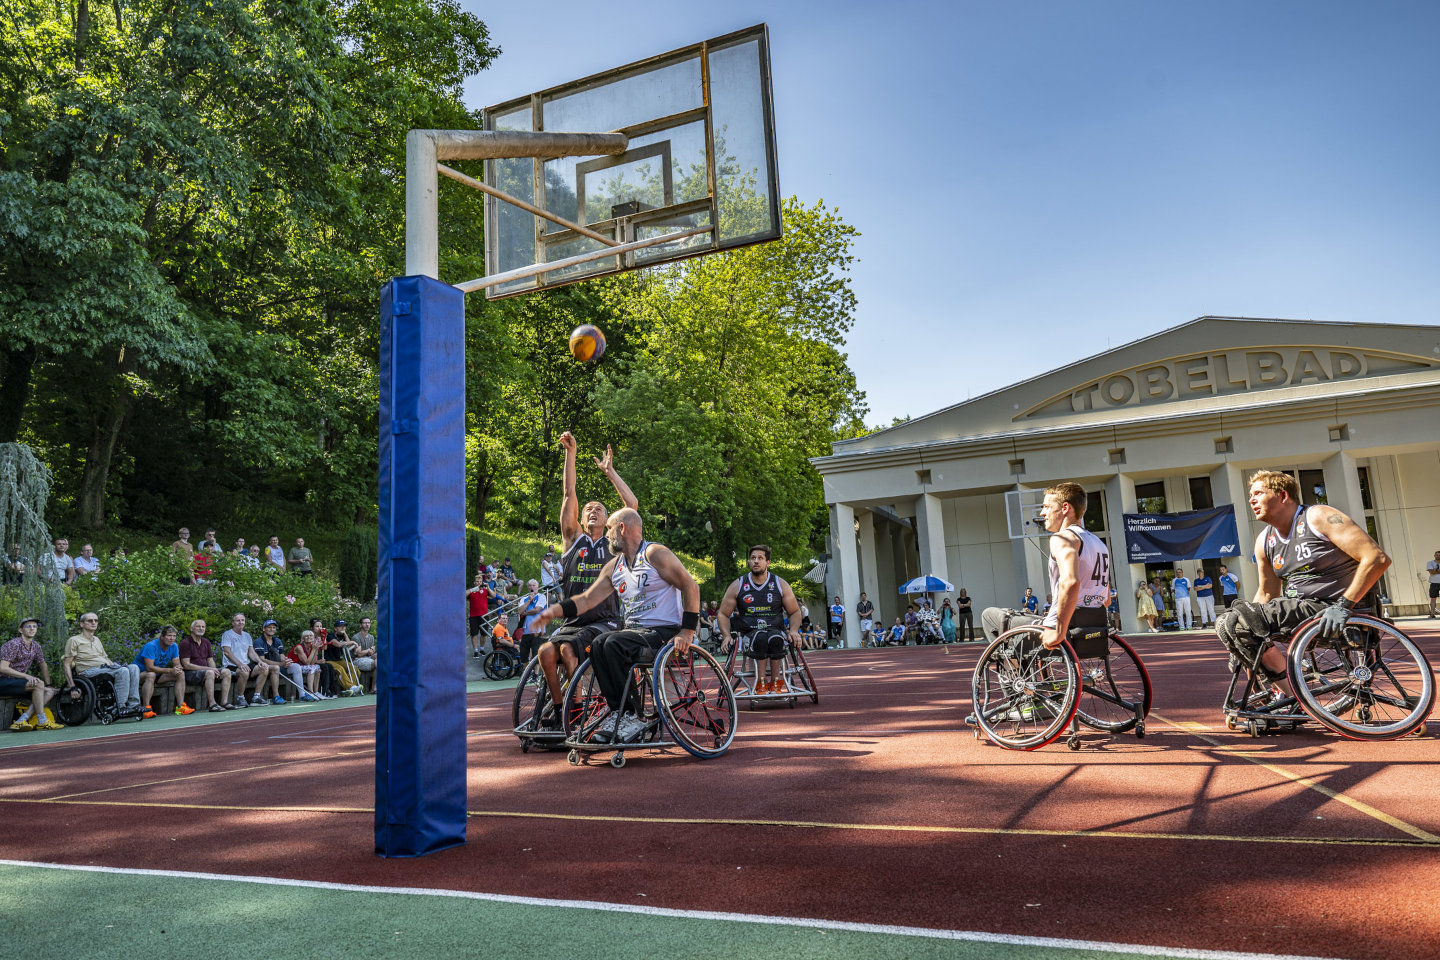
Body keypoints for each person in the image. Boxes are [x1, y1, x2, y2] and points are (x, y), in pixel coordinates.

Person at [530, 508, 701, 744]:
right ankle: (621, 712)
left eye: (609, 528)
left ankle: (630, 715)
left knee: (612, 643)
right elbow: (586, 600)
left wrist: (687, 631)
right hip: (634, 633)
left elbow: (691, 586)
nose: (607, 534)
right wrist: (553, 611)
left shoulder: (654, 553)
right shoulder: (615, 567)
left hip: (664, 630)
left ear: (622, 528)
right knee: (599, 643)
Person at [1216, 470, 1391, 700]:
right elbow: (1267, 592)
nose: (1251, 499)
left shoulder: (1318, 516)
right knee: (1233, 623)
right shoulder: (1264, 540)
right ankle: (1292, 695)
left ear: (1283, 496)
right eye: (1251, 495)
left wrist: (1344, 605)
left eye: (1258, 493)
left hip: (1340, 608)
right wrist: (1240, 638)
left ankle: (1297, 698)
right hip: (1303, 610)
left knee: (1238, 622)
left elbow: (1377, 558)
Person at [532, 432, 638, 726]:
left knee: (567, 649)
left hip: (604, 619)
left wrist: (611, 472)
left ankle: (576, 709)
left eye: (600, 509)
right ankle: (559, 708)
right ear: (581, 518)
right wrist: (571, 453)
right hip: (574, 620)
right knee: (545, 652)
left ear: (609, 522)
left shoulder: (614, 544)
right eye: (588, 508)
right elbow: (568, 494)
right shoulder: (572, 540)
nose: (592, 510)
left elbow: (632, 505)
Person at [981, 483, 1110, 650]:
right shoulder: (1099, 543)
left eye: (1047, 507)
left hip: (1059, 629)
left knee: (990, 615)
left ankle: (1013, 673)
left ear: (1065, 508)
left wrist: (1059, 631)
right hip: (1093, 627)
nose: (1042, 513)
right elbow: (1105, 599)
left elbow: (1071, 582)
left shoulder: (1063, 538)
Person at [718, 544, 802, 694]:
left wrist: (794, 630)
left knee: (776, 638)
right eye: (753, 558)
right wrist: (726, 635)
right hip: (750, 633)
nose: (756, 561)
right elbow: (723, 614)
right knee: (760, 638)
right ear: (749, 562)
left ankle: (776, 683)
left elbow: (795, 611)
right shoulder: (738, 585)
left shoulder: (779, 584)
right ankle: (760, 684)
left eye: (760, 558)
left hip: (776, 629)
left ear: (768, 562)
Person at [62, 612, 143, 719]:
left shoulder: (97, 640)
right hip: (88, 671)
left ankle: (134, 704)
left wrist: (114, 665)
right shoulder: (74, 640)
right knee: (123, 671)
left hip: (104, 668)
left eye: (95, 620)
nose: (93, 623)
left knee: (134, 667)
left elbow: (105, 658)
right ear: (81, 624)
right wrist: (72, 687)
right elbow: (66, 665)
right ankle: (121, 706)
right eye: (90, 621)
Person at [3, 617, 62, 731]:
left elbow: (43, 665)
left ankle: (21, 720)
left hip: (17, 683)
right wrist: (26, 676)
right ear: (21, 630)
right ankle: (42, 721)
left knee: (50, 691)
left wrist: (48, 684)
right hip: (4, 681)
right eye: (28, 626)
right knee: (38, 684)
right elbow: (3, 668)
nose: (32, 629)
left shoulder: (36, 646)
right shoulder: (13, 644)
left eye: (35, 626)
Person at [135, 625, 194, 717]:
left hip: (158, 674)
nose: (172, 638)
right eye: (169, 636)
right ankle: (146, 709)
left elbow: (177, 663)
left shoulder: (174, 646)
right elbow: (149, 668)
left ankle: (180, 707)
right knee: (151, 674)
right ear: (162, 637)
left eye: (174, 636)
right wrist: (170, 670)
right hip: (139, 676)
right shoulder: (151, 646)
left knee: (180, 674)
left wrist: (177, 669)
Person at [178, 619, 235, 712]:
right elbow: (186, 665)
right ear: (192, 628)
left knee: (226, 672)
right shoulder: (185, 643)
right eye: (198, 626)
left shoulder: (206, 642)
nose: (201, 628)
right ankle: (212, 704)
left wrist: (214, 669)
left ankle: (224, 702)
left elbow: (210, 660)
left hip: (205, 672)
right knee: (209, 673)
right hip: (190, 674)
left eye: (203, 627)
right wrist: (209, 669)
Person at [220, 613, 262, 706]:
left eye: (242, 620)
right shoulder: (227, 634)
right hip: (231, 666)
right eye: (238, 620)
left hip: (244, 664)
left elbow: (251, 652)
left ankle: (256, 697)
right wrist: (240, 664)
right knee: (244, 671)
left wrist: (260, 662)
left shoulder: (247, 635)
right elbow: (227, 652)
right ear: (233, 623)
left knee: (264, 668)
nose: (240, 622)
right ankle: (240, 698)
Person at [254, 619, 300, 703]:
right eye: (269, 627)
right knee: (276, 667)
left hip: (279, 666)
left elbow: (282, 656)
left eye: (274, 627)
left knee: (296, 666)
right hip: (263, 668)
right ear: (264, 629)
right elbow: (262, 659)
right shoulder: (258, 642)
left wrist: (285, 661)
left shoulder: (277, 641)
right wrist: (280, 664)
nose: (272, 629)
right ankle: (276, 696)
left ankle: (303, 694)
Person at [514, 579, 548, 664]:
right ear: (528, 587)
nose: (532, 587)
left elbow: (537, 610)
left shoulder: (542, 597)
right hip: (525, 631)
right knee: (524, 656)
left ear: (537, 587)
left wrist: (525, 613)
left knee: (536, 655)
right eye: (530, 586)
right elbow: (519, 611)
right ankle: (526, 675)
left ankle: (536, 675)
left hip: (538, 631)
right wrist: (529, 600)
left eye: (534, 585)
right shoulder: (524, 599)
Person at [289, 629, 327, 699]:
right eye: (306, 636)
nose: (309, 637)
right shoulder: (299, 647)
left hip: (303, 666)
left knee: (317, 667)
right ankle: (310, 692)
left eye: (311, 636)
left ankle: (316, 692)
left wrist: (315, 650)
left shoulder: (313, 646)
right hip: (293, 666)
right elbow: (307, 663)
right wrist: (314, 650)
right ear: (302, 639)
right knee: (311, 668)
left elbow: (312, 662)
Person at [466, 573, 491, 659]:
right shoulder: (471, 591)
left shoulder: (485, 590)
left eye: (480, 581)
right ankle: (475, 650)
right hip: (473, 616)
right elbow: (463, 594)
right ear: (474, 582)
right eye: (477, 581)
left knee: (484, 634)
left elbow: (494, 595)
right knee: (474, 634)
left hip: (484, 615)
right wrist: (474, 589)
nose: (479, 582)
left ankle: (482, 648)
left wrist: (488, 587)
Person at [351, 617, 377, 693]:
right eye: (365, 623)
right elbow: (359, 654)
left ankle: (375, 687)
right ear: (360, 625)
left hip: (368, 658)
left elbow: (371, 652)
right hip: (357, 660)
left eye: (368, 623)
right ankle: (373, 688)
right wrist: (369, 650)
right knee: (377, 663)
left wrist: (372, 651)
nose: (367, 625)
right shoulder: (356, 637)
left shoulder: (371, 637)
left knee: (383, 657)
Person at [1427, 550, 1440, 618]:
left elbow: (1433, 571)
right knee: (1433, 598)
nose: (1438, 556)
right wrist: (1437, 571)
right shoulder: (1430, 563)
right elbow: (1431, 572)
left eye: (1439, 555)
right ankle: (1432, 614)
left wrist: (1436, 571)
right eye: (1436, 555)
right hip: (1434, 583)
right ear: (1434, 555)